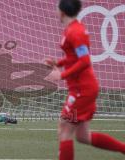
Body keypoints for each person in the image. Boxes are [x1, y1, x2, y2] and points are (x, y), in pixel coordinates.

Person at [45, 0, 125, 159]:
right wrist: (58, 63)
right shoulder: (71, 30)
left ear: (62, 12)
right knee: (83, 136)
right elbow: (74, 57)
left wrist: (61, 75)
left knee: (65, 130)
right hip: (80, 88)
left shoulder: (76, 32)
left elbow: (84, 60)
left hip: (82, 90)